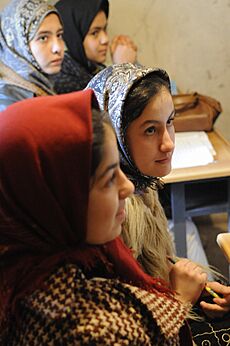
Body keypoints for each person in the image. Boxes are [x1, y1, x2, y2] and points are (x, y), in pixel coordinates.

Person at [0, 89, 203, 345]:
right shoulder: (83, 328)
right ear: (56, 197)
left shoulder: (84, 257)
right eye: (108, 179)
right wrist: (180, 301)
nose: (127, 187)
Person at [87, 63, 230, 345]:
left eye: (170, 122)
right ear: (115, 133)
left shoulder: (142, 183)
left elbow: (152, 269)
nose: (168, 143)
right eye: (150, 130)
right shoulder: (112, 212)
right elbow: (129, 332)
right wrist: (179, 299)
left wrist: (200, 290)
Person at [53, 0, 137, 94]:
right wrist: (124, 69)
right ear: (73, 36)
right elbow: (106, 105)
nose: (105, 39)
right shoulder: (61, 78)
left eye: (104, 29)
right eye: (94, 33)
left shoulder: (92, 68)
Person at [0, 0, 65, 111]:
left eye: (59, 35)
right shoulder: (7, 101)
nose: (58, 48)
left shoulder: (43, 85)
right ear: (17, 44)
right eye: (43, 38)